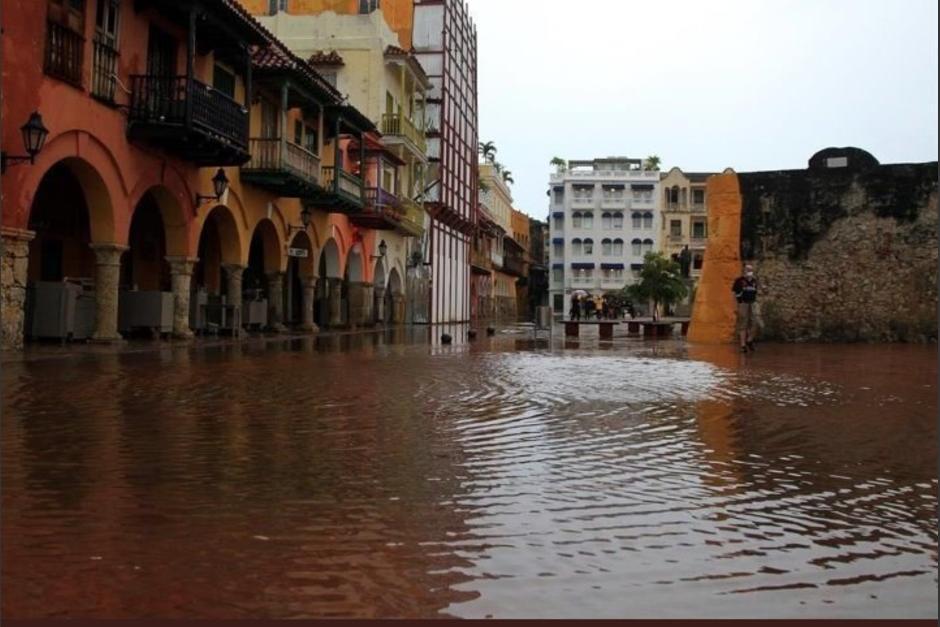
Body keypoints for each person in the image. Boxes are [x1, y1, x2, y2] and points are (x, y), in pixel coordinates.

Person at [732, 263, 759, 352]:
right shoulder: (739, 280)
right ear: (744, 271)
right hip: (743, 303)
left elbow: (757, 291)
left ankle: (749, 340)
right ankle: (743, 346)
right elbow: (733, 293)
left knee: (755, 322)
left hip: (753, 302)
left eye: (750, 270)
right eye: (747, 270)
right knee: (743, 324)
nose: (749, 272)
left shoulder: (755, 281)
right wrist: (735, 305)